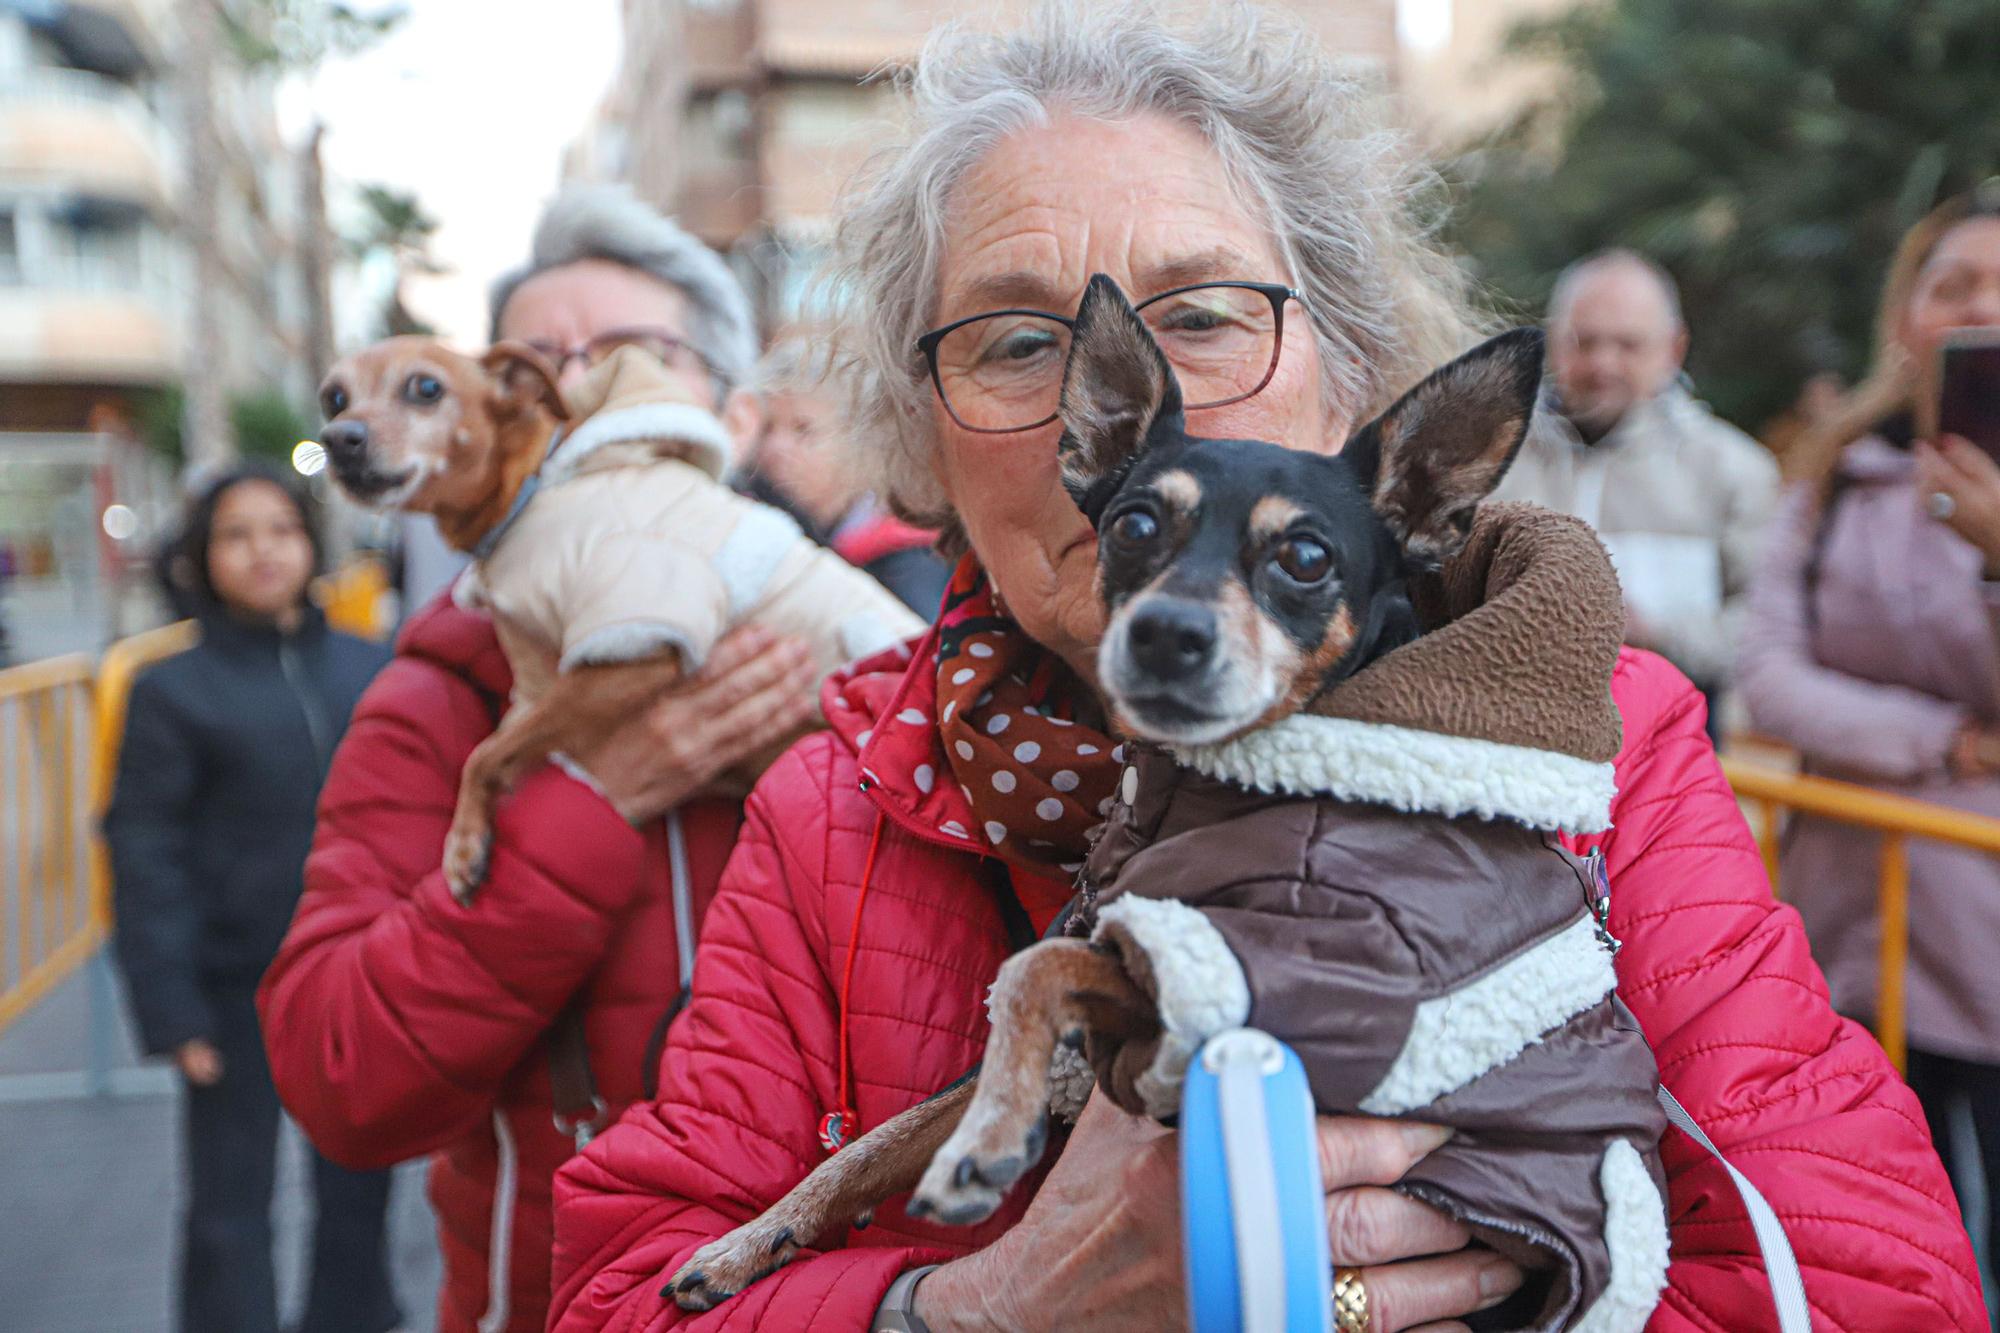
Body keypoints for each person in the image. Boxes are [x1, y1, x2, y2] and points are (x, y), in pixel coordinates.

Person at [548, 9, 1985, 1332]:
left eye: (1210, 313)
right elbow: (623, 1291)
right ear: (925, 434)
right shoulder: (841, 805)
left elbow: (1870, 1275)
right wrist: (976, 1307)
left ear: (1350, 378)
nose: (1106, 404)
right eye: (1013, 340)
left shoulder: (1587, 755)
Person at [257, 186, 821, 1333]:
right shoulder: (435, 699)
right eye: (540, 368)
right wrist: (587, 795)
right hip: (547, 1293)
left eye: (626, 357)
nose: (574, 398)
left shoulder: (848, 669)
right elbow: (341, 1077)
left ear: (739, 419)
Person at [1738, 189, 2000, 1272]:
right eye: (1953, 286)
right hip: (1860, 940)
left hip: (1987, 945)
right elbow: (1767, 679)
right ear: (1903, 316)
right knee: (1888, 1246)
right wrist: (1943, 739)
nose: (1979, 309)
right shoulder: (1833, 475)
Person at [105, 464, 399, 1333]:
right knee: (230, 1207)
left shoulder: (372, 668)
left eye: (281, 528)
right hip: (234, 990)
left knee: (359, 1190)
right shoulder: (171, 690)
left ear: (311, 543)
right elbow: (143, 849)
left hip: (357, 981)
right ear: (201, 556)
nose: (263, 549)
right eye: (236, 533)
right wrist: (173, 1010)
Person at [1491, 250, 1780, 720]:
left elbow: (1766, 626)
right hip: (1510, 718)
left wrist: (1658, 635)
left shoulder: (1734, 469)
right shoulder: (1495, 453)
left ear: (1674, 348)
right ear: (1553, 342)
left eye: (1628, 345)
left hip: (1669, 733)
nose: (1603, 364)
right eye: (1585, 342)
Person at [735, 338, 951, 618]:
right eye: (766, 429)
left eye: (804, 430)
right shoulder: (753, 532)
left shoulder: (906, 563)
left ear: (858, 442)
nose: (775, 448)